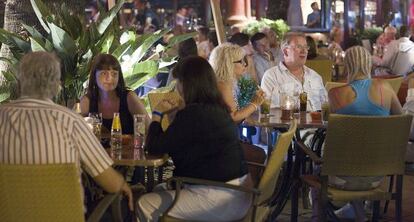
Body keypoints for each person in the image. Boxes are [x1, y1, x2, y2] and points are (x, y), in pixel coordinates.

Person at [0, 52, 133, 214]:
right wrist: (124, 186)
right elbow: (111, 182)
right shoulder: (70, 122)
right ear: (57, 85)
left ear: (19, 82)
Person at [136, 56, 251, 221]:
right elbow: (183, 140)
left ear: (187, 84)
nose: (177, 87)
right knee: (160, 189)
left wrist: (157, 114)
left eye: (178, 82)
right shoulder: (216, 108)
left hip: (219, 198)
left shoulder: (194, 114)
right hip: (238, 192)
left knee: (145, 203)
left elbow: (154, 146)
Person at [319, 46, 402, 221]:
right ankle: (358, 214)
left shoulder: (335, 94)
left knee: (315, 164)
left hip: (340, 177)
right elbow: (400, 122)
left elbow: (333, 132)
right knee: (361, 152)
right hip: (378, 176)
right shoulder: (385, 88)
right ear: (369, 62)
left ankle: (317, 217)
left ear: (347, 65)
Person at [80, 54, 150, 134]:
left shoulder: (129, 98)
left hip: (128, 146)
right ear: (94, 77)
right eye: (104, 73)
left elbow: (149, 130)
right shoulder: (87, 101)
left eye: (114, 74)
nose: (110, 78)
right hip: (95, 146)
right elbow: (81, 135)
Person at [261, 32, 327, 111]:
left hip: (316, 122)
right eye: (299, 46)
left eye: (306, 47)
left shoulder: (315, 76)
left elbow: (326, 105)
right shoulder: (272, 76)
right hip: (287, 122)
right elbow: (269, 110)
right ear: (286, 51)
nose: (304, 51)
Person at [209, 43, 265, 123]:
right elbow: (233, 117)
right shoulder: (223, 85)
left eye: (244, 60)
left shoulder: (231, 81)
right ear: (228, 64)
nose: (245, 64)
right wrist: (254, 104)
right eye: (241, 61)